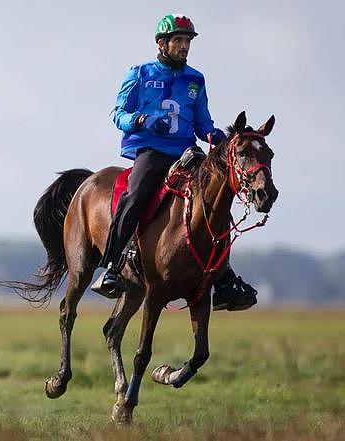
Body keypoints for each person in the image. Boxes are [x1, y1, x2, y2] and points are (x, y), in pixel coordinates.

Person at [94, 13, 257, 311]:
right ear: (162, 43)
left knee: (216, 201)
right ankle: (113, 267)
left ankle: (223, 279)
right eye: (178, 41)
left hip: (186, 153)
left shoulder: (196, 79)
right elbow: (118, 115)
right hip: (151, 151)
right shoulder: (140, 73)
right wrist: (142, 119)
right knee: (136, 195)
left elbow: (202, 123)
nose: (184, 47)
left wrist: (215, 136)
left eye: (187, 41)